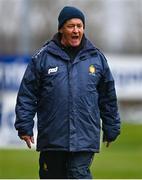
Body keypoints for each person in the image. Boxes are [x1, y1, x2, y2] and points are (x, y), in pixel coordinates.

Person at [15, 6, 121, 179]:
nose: (76, 30)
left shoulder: (97, 58)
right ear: (61, 29)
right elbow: (27, 94)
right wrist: (24, 126)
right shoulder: (42, 58)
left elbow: (108, 97)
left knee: (78, 174)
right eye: (71, 26)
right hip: (53, 138)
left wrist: (111, 126)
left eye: (79, 26)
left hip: (84, 138)